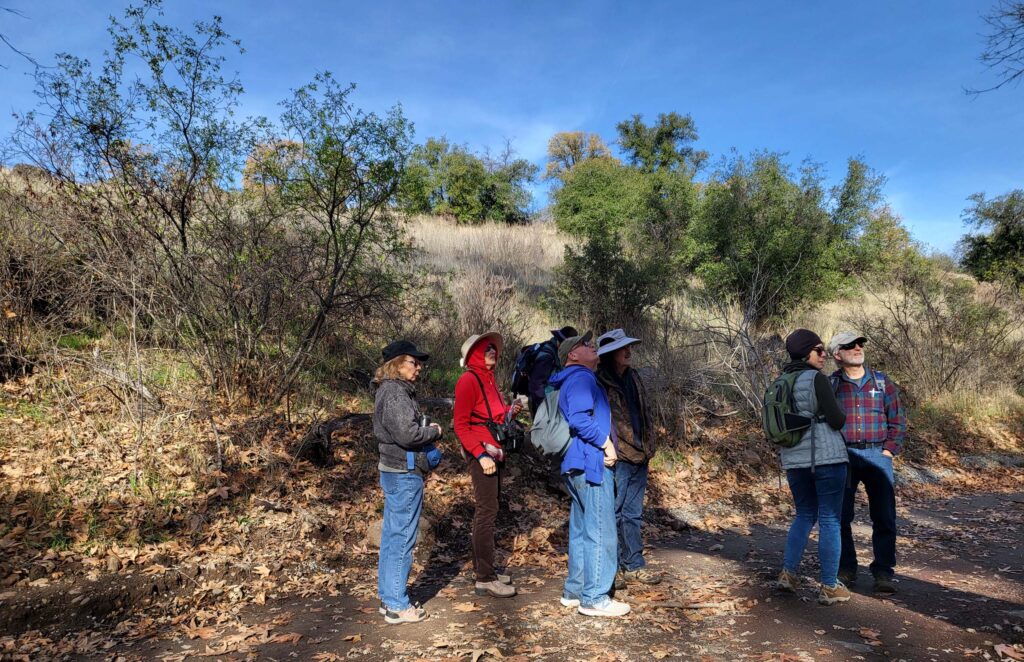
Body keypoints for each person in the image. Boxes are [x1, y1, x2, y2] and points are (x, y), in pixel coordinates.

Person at [549, 331, 631, 617]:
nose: (591, 346)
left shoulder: (571, 380)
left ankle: (576, 590)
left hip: (576, 465)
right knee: (601, 530)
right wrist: (606, 443)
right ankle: (595, 597)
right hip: (591, 464)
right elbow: (580, 419)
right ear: (573, 355)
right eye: (585, 344)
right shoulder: (582, 377)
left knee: (582, 530)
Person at [775, 329, 851, 606]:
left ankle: (788, 574)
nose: (823, 355)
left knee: (804, 514)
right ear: (806, 353)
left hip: (794, 460)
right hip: (826, 459)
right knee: (830, 519)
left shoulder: (781, 381)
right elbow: (837, 419)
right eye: (819, 350)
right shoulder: (816, 379)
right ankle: (829, 586)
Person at [828, 331, 907, 594]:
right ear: (837, 355)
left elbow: (897, 421)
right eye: (849, 346)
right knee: (841, 517)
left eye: (860, 343)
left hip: (877, 455)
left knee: (884, 516)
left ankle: (883, 572)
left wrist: (888, 452)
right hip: (844, 457)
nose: (858, 348)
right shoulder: (831, 386)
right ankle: (847, 569)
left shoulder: (883, 383)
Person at [373, 339, 444, 624]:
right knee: (402, 537)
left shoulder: (391, 391)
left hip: (395, 469)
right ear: (396, 364)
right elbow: (408, 435)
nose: (419, 368)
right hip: (403, 472)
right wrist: (434, 432)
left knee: (393, 536)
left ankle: (389, 596)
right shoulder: (394, 393)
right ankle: (396, 605)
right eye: (413, 362)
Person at [453, 332, 522, 599]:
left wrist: (510, 411)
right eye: (486, 348)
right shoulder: (468, 380)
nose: (492, 351)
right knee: (486, 512)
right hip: (483, 454)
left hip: (496, 452)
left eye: (493, 348)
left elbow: (491, 416)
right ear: (474, 354)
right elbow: (461, 425)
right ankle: (485, 577)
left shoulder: (489, 380)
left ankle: (486, 568)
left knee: (490, 511)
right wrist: (480, 454)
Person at [595, 329, 661, 589]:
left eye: (629, 347)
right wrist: (614, 448)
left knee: (632, 514)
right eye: (623, 348)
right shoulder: (600, 381)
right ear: (610, 354)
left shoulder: (633, 376)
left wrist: (648, 445)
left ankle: (633, 565)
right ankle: (612, 568)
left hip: (641, 454)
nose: (628, 351)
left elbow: (645, 412)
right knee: (614, 512)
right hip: (619, 457)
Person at [527, 325, 578, 415]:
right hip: (542, 404)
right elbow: (536, 386)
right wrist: (545, 407)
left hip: (550, 401)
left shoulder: (557, 353)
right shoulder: (547, 357)